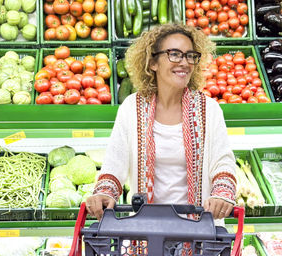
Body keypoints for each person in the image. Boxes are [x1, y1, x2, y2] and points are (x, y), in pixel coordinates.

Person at [86, 23, 236, 222]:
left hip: (199, 229)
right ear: (152, 62)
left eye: (190, 56)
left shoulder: (208, 109)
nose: (184, 62)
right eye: (175, 54)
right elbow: (115, 162)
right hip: (147, 231)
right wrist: (105, 192)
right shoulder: (132, 108)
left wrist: (222, 194)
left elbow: (223, 161)